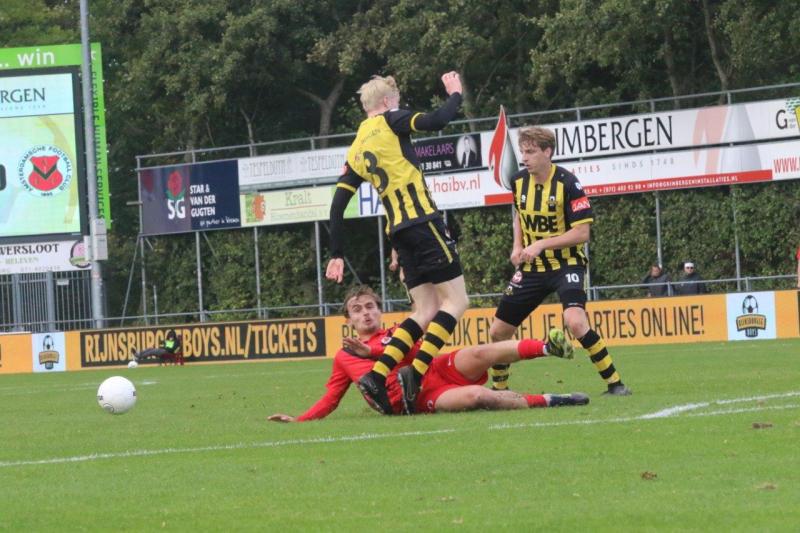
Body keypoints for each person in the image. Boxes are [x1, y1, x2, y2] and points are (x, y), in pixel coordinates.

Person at [326, 72, 469, 415]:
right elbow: (437, 120)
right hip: (422, 222)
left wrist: (336, 253)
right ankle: (415, 374)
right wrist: (455, 94)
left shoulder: (357, 147)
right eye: (397, 101)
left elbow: (337, 206)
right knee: (457, 301)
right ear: (388, 102)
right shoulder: (391, 120)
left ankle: (377, 375)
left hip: (398, 232)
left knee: (425, 310)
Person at [267, 286, 587, 422]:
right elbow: (331, 398)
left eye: (370, 306)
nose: (365, 313)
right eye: (357, 309)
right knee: (477, 397)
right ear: (348, 319)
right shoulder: (343, 356)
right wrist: (299, 420)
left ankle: (548, 347)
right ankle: (552, 399)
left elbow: (417, 353)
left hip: (434, 368)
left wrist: (374, 352)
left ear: (379, 310)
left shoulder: (399, 331)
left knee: (481, 351)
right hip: (417, 396)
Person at [487, 126, 631, 396]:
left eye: (530, 152)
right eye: (522, 152)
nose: (524, 158)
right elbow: (518, 214)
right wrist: (517, 245)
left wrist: (541, 244)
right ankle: (499, 390)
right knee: (498, 331)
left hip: (566, 264)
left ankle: (616, 384)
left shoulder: (568, 183)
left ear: (547, 152)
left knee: (575, 322)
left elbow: (582, 233)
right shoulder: (518, 181)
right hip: (532, 268)